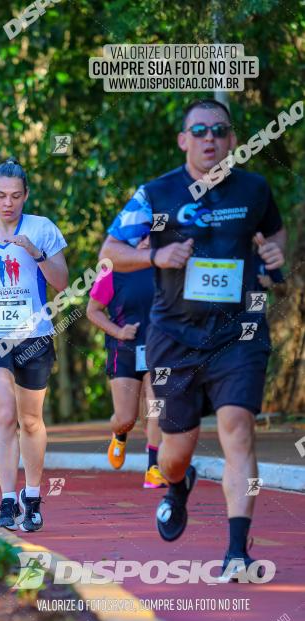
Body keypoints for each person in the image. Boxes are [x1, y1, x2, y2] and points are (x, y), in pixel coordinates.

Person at [100, 98, 285, 580]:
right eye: (199, 130)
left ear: (232, 140)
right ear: (184, 140)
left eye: (219, 131)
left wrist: (271, 257)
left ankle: (236, 552)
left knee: (238, 429)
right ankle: (178, 488)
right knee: (175, 457)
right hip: (175, 338)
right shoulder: (156, 195)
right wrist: (156, 259)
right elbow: (111, 251)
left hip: (238, 333)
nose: (210, 138)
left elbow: (276, 234)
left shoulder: (254, 190)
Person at [0, 157, 69, 531]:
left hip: (34, 337)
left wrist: (35, 253)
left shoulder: (42, 229)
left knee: (31, 419)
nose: (8, 202)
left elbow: (63, 283)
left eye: (16, 196)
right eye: (1, 195)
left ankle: (33, 498)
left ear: (25, 197)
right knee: (5, 411)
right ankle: (8, 499)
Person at [87, 237, 167, 488]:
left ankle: (154, 467)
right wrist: (119, 332)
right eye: (140, 236)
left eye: (150, 235)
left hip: (160, 348)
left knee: (156, 407)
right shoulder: (111, 269)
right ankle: (119, 434)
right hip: (125, 348)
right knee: (126, 417)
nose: (146, 241)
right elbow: (93, 310)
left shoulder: (166, 267)